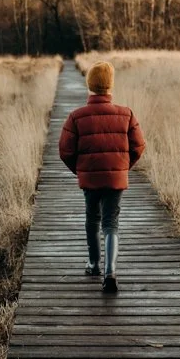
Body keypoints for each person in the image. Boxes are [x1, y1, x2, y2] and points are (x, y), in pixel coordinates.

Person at [58, 61, 145, 293]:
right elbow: (139, 147)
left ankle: (94, 264)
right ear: (110, 86)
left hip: (90, 180)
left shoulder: (76, 117)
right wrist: (122, 168)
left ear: (90, 85)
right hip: (115, 179)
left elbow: (65, 151)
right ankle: (110, 273)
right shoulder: (126, 115)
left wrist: (81, 170)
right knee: (111, 223)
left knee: (92, 219)